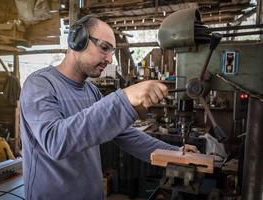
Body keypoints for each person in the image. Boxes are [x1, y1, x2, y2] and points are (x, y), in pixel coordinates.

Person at [20, 16, 198, 200]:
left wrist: (174, 153)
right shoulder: (40, 85)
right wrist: (125, 98)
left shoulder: (92, 91)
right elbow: (55, 141)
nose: (109, 59)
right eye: (104, 48)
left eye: (112, 51)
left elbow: (126, 135)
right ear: (77, 40)